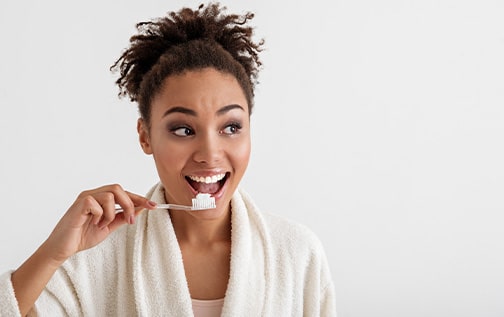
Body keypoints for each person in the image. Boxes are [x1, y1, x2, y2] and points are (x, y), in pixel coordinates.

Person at [0, 2, 336, 316]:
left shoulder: (297, 253)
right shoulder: (94, 259)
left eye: (231, 127)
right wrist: (54, 253)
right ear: (145, 135)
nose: (209, 154)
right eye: (183, 130)